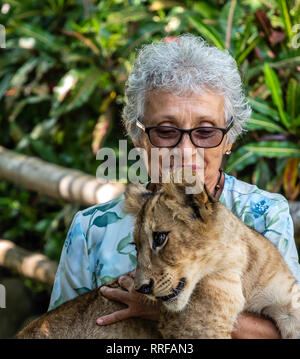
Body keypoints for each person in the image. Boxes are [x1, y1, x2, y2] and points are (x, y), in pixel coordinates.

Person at [48, 34, 300, 339]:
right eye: (166, 131)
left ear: (229, 139)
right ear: (138, 136)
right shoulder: (91, 229)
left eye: (206, 132)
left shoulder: (264, 214)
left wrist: (160, 307)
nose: (185, 151)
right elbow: (60, 329)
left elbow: (287, 330)